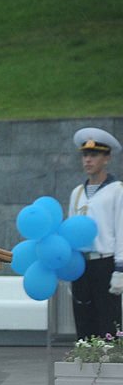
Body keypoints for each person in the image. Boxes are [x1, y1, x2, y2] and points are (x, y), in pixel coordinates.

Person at [67, 128, 123, 340]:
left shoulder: (117, 190)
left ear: (106, 158)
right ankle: (85, 369)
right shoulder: (78, 193)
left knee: (108, 323)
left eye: (94, 155)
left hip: (105, 263)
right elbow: (70, 231)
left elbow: (121, 230)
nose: (88, 160)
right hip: (81, 264)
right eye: (85, 155)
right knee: (84, 323)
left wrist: (120, 269)